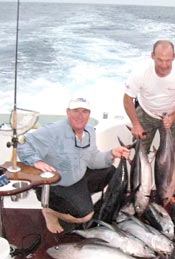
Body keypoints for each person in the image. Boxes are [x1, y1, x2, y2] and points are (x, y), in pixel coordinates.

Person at [17, 96, 130, 234]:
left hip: (78, 176)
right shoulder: (53, 131)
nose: (80, 116)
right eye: (76, 110)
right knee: (85, 215)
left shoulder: (89, 131)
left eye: (84, 111)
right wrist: (36, 161)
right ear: (68, 112)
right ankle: (50, 211)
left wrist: (111, 154)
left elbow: (93, 159)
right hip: (55, 184)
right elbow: (23, 144)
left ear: (89, 114)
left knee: (112, 172)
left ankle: (79, 199)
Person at [123, 40, 175, 152]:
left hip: (170, 115)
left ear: (174, 57)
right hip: (145, 113)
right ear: (152, 56)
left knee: (173, 153)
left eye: (168, 61)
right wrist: (136, 124)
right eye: (160, 60)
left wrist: (174, 117)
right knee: (139, 151)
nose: (164, 65)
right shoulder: (141, 71)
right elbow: (127, 98)